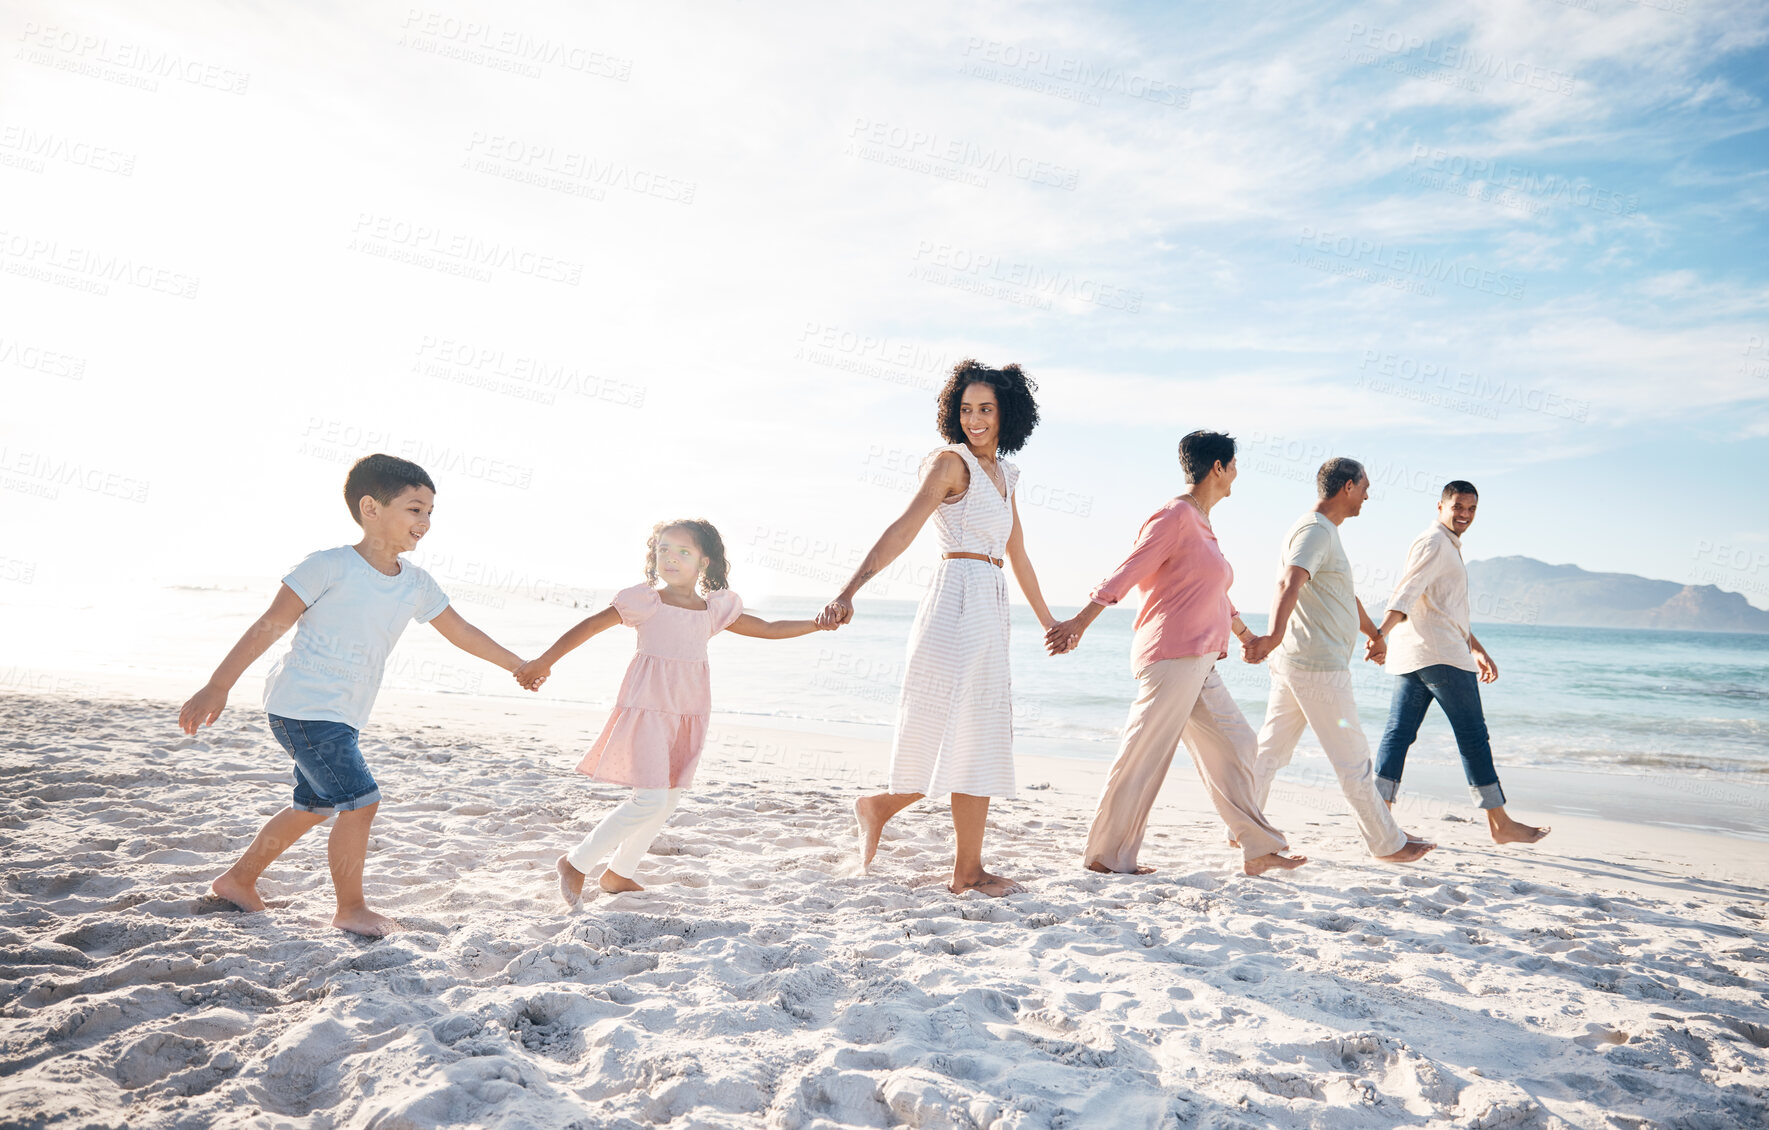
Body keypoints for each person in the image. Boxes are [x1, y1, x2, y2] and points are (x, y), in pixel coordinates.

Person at [178, 454, 529, 937]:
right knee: (361, 802)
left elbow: (462, 632)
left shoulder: (416, 584)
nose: (424, 522)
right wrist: (219, 685)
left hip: (341, 715)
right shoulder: (329, 566)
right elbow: (270, 625)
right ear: (371, 507)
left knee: (314, 806)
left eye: (430, 512)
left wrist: (518, 665)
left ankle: (239, 881)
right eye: (413, 509)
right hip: (304, 707)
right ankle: (351, 908)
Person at [817, 360, 1056, 897]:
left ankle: (889, 813)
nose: (975, 420)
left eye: (986, 410)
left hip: (991, 605)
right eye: (967, 409)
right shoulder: (951, 464)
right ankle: (962, 868)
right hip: (956, 600)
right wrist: (849, 589)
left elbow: (1019, 557)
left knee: (980, 735)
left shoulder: (1006, 477)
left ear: (1007, 414)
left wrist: (1049, 622)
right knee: (957, 731)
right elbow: (904, 527)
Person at [517, 519, 832, 903]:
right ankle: (577, 862)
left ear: (705, 561)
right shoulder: (647, 602)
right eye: (664, 549)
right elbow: (589, 627)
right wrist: (544, 661)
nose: (671, 558)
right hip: (647, 711)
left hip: (688, 714)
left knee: (668, 799)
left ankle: (620, 873)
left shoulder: (713, 610)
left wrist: (817, 624)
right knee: (649, 798)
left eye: (684, 552)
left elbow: (767, 628)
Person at [1046, 431, 1308, 878]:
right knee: (1142, 754)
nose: (1237, 475)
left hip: (1200, 658)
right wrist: (1079, 623)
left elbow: (1214, 595)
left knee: (1239, 743)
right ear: (1218, 468)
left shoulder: (1202, 524)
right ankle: (1103, 856)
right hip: (1170, 656)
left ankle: (1258, 847)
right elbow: (1128, 570)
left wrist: (1247, 636)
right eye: (1234, 466)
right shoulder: (1175, 516)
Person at [1242, 458, 1435, 862]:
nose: (1368, 495)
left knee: (1270, 752)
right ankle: (1388, 844)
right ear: (1348, 486)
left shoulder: (1323, 532)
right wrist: (1273, 637)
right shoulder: (1314, 531)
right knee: (1353, 761)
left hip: (1303, 662)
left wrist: (1376, 635)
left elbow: (1343, 595)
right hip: (1318, 667)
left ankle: (1242, 827)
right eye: (1365, 487)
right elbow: (1289, 581)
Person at [1372, 481, 1549, 844]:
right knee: (1473, 736)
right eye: (1458, 507)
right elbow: (1406, 591)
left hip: (1419, 654)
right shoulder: (1435, 542)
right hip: (1441, 657)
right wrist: (1379, 633)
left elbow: (1444, 609)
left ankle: (1380, 823)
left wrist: (1477, 648)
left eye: (1471, 509)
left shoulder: (1445, 545)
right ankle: (1500, 823)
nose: (1464, 515)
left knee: (1399, 735)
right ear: (1440, 506)